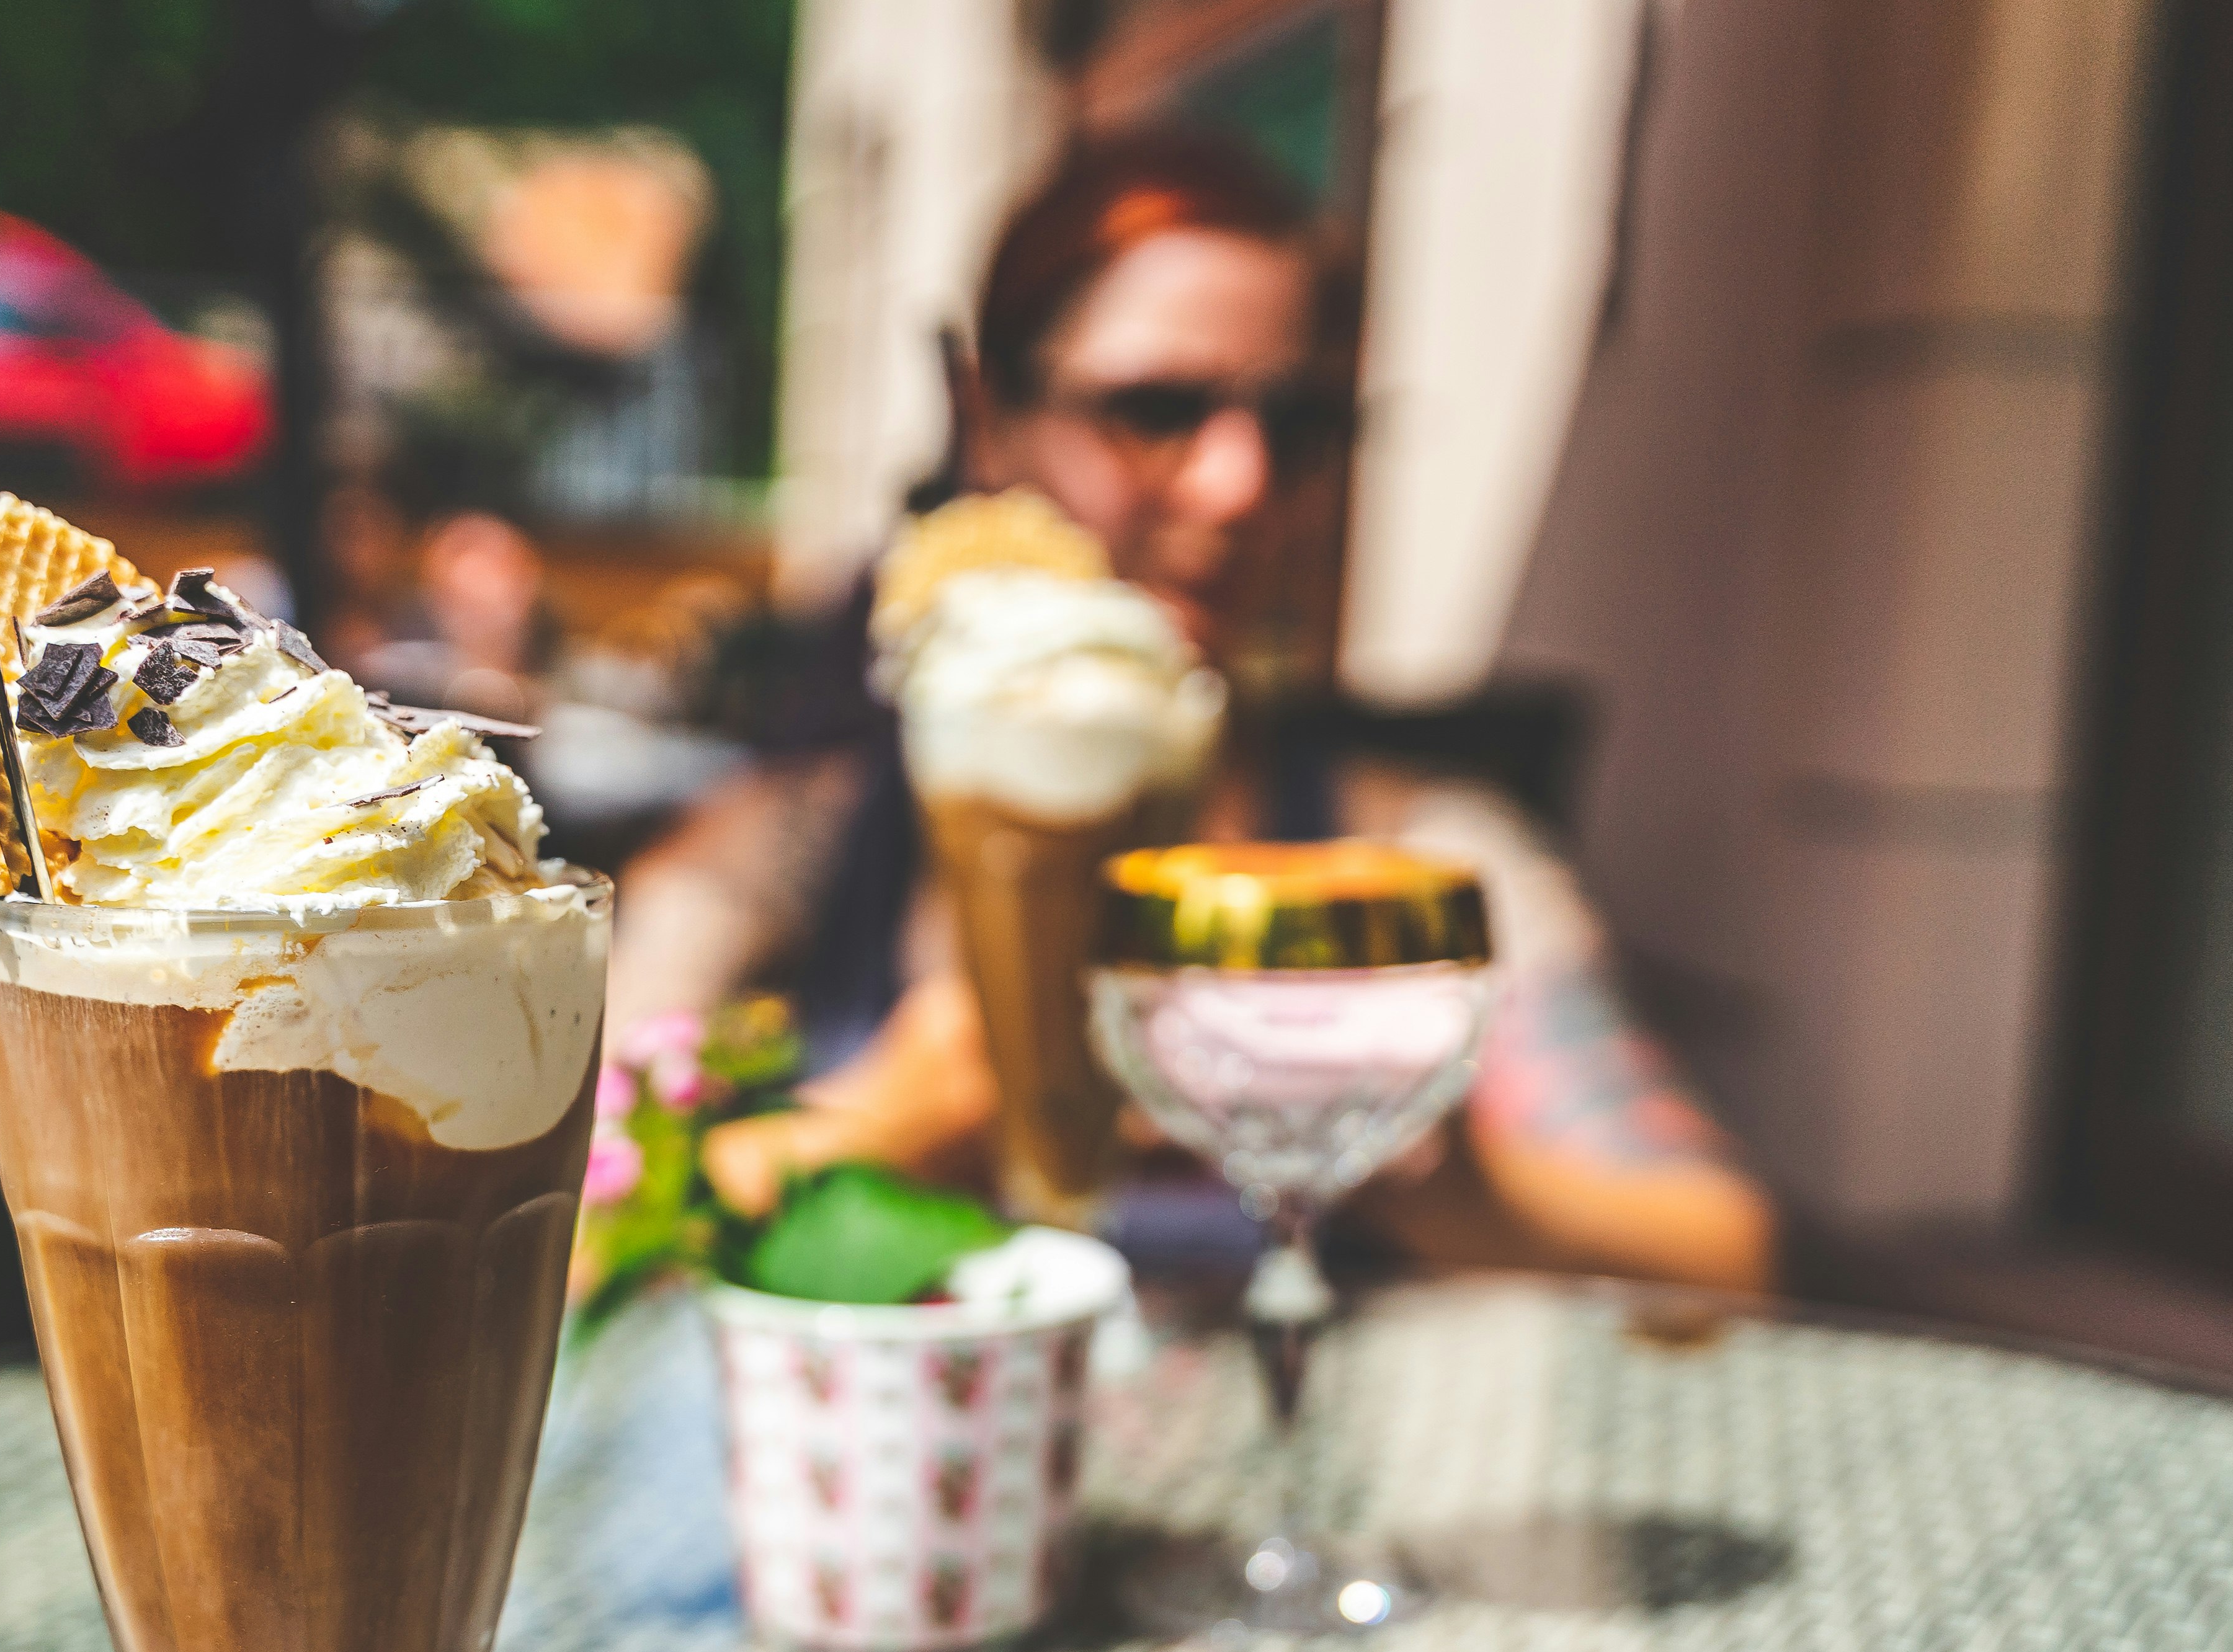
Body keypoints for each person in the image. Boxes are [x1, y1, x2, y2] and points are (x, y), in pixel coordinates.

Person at [612, 128, 1775, 1293]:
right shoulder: (787, 850)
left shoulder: (1407, 851)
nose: (1242, 486)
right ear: (986, 413)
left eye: (1301, 425)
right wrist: (871, 1130)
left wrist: (1435, 1171)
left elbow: (1721, 1251)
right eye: (1156, 408)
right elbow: (541, 1236)